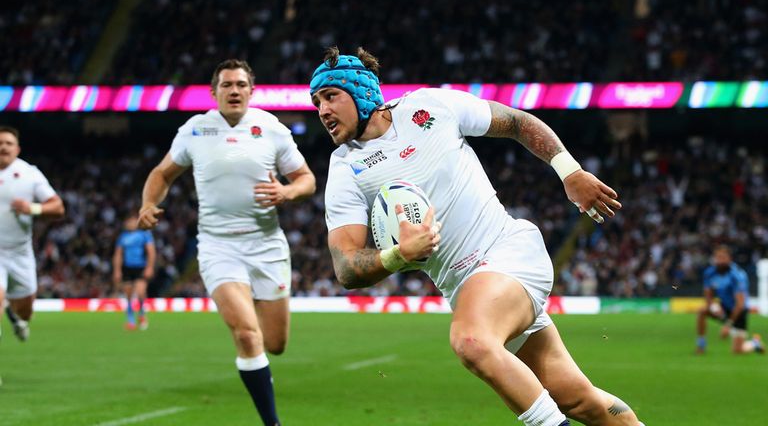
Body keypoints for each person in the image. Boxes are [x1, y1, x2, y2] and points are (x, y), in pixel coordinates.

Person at [311, 47, 644, 426]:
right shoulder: (344, 171)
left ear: (362, 91)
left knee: (470, 341)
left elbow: (517, 122)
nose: (322, 110)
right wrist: (398, 255)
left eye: (330, 96)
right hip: (469, 290)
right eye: (316, 102)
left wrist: (569, 171)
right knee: (581, 401)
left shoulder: (430, 106)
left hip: (508, 251)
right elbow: (346, 266)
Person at [138, 59, 316, 426]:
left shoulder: (272, 129)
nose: (234, 91)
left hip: (267, 245)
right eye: (226, 85)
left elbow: (306, 179)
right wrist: (148, 204)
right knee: (248, 334)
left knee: (275, 344)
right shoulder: (195, 130)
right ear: (214, 91)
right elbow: (162, 173)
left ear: (251, 90)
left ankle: (254, 332)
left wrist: (286, 191)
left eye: (240, 85)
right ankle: (272, 422)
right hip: (219, 247)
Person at [0, 125, 65, 343]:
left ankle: (15, 316)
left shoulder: (29, 174)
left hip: (20, 253)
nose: (3, 147)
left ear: (17, 149)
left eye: (8, 143)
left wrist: (33, 209)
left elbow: (58, 208)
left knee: (25, 312)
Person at [696, 245, 764, 354]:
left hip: (738, 312)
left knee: (737, 351)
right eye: (717, 257)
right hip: (724, 307)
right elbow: (708, 295)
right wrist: (713, 306)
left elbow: (740, 304)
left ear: (729, 259)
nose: (720, 260)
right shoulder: (710, 273)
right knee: (702, 311)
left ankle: (754, 343)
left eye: (723, 257)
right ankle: (701, 344)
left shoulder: (737, 275)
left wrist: (727, 325)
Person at [112, 214, 156, 330]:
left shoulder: (144, 235)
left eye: (132, 221)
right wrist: (117, 270)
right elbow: (118, 254)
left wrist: (150, 267)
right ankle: (130, 319)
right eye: (128, 222)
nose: (130, 224)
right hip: (127, 268)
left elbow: (151, 251)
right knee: (128, 294)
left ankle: (141, 313)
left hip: (140, 267)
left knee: (141, 292)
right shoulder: (123, 237)